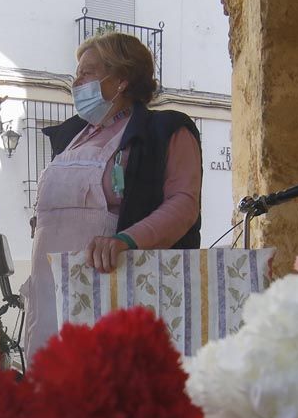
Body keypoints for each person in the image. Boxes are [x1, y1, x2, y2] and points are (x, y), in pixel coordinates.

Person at [21, 32, 203, 359]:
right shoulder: (70, 137)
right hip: (49, 290)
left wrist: (126, 239)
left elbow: (184, 204)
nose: (76, 81)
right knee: (50, 384)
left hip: (113, 287)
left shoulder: (165, 130)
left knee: (106, 385)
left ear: (120, 79)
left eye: (87, 72)